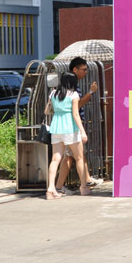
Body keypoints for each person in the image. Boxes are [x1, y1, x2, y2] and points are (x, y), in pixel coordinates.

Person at [55, 58, 101, 194]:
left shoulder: (61, 90)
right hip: (72, 127)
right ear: (75, 69)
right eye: (84, 69)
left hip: (66, 127)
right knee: (72, 157)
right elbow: (76, 108)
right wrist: (91, 92)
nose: (86, 72)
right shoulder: (73, 89)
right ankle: (70, 186)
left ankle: (86, 180)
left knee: (76, 155)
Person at [45, 72, 90, 199]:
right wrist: (83, 131)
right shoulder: (73, 95)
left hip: (56, 128)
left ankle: (51, 189)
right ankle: (83, 187)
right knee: (79, 158)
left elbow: (46, 111)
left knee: (55, 159)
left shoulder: (53, 93)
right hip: (70, 128)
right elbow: (75, 114)